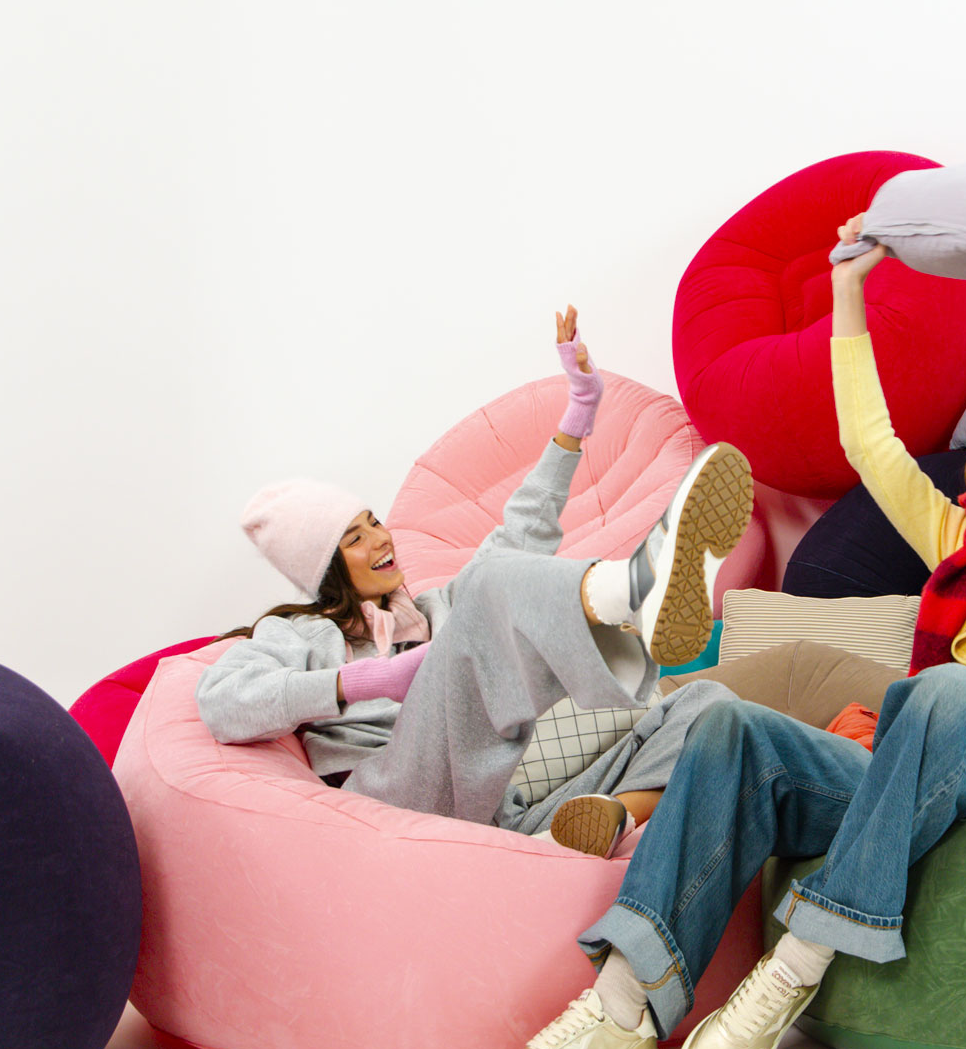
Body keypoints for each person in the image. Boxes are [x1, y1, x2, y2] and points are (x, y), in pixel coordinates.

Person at [481, 196, 966, 1049]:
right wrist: (847, 293)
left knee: (949, 693)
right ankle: (622, 1012)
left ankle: (798, 960)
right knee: (731, 729)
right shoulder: (962, 545)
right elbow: (870, 447)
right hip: (908, 777)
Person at [197, 308, 752, 858]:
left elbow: (521, 532)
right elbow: (221, 704)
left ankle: (589, 828)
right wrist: (371, 679)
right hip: (392, 799)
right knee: (489, 584)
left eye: (374, 521)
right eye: (354, 538)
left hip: (492, 810)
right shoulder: (298, 634)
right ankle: (632, 593)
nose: (381, 538)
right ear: (326, 569)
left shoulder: (437, 610)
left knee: (707, 706)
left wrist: (579, 411)